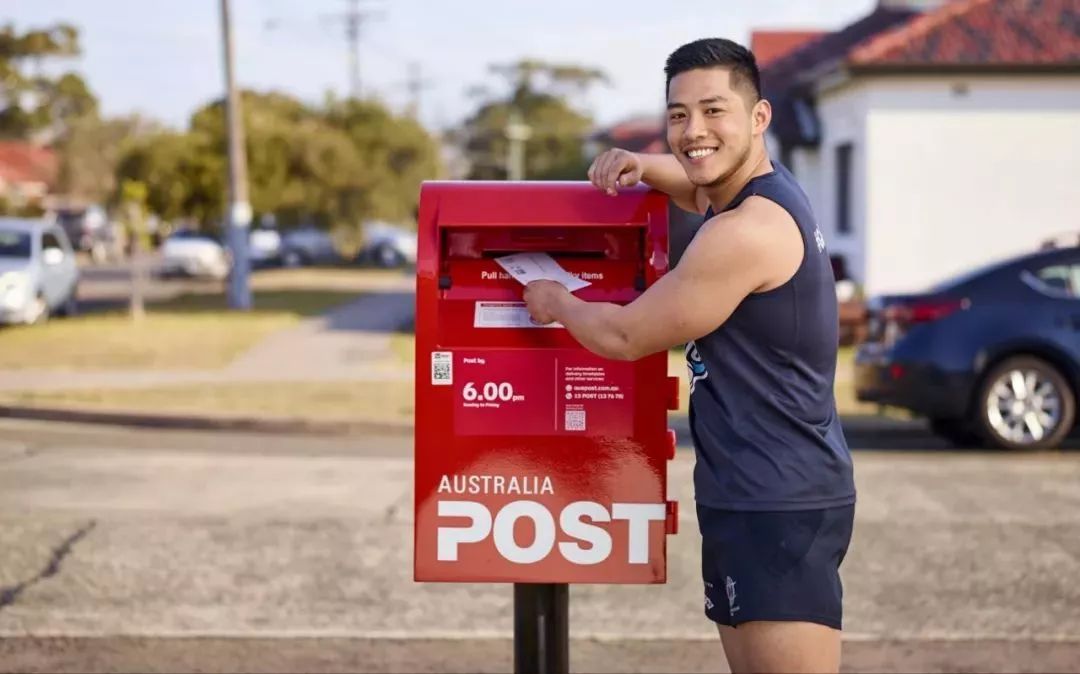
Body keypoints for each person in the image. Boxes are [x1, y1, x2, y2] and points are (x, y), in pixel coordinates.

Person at [523, 37, 856, 674]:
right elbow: (697, 181)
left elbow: (625, 337)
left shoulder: (744, 232)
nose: (693, 131)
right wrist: (642, 166)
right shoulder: (755, 194)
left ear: (759, 118)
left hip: (776, 502)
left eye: (713, 111)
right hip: (752, 490)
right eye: (678, 116)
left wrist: (555, 300)